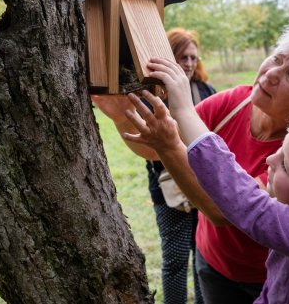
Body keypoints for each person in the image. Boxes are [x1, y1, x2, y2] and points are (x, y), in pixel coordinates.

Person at [95, 22, 289, 303]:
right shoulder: (236, 101)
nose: (272, 74)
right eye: (276, 58)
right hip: (212, 262)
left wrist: (169, 140)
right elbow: (156, 146)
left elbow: (224, 210)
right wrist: (122, 116)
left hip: (265, 279)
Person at [122, 86, 289, 304]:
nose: (269, 160)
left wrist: (182, 108)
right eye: (281, 147)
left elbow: (252, 208)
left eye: (285, 165)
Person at [92, 28, 215, 304]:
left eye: (194, 57)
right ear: (169, 57)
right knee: (175, 259)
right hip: (168, 191)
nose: (189, 63)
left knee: (203, 256)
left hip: (205, 187)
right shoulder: (154, 94)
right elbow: (145, 143)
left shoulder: (207, 91)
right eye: (183, 56)